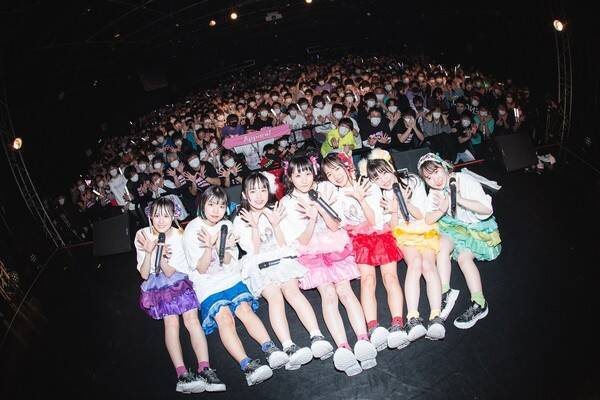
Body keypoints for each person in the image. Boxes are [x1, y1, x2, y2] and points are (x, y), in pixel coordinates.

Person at [280, 155, 377, 377]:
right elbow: (302, 240)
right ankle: (343, 347)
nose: (304, 179)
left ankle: (363, 340)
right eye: (298, 175)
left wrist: (321, 210)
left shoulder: (325, 188)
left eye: (307, 173)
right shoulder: (287, 203)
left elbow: (335, 225)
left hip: (334, 243)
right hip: (310, 251)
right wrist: (312, 219)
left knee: (345, 291)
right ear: (290, 177)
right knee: (328, 294)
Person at [182, 186, 288, 386]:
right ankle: (247, 366)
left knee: (245, 309)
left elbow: (229, 261)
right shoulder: (193, 229)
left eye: (221, 206)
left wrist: (222, 247)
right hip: (208, 284)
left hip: (229, 277)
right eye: (212, 204)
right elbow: (202, 269)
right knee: (225, 318)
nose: (216, 210)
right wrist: (210, 247)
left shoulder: (226, 225)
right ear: (202, 204)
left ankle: (270, 349)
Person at [233, 172, 334, 369]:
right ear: (245, 195)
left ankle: (317, 336)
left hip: (281, 259)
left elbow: (282, 244)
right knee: (275, 297)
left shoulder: (276, 209)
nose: (259, 195)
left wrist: (275, 224)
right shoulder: (240, 219)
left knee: (292, 292)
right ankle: (288, 347)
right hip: (259, 265)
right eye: (253, 191)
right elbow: (254, 251)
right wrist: (254, 227)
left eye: (263, 190)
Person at [134, 197, 226, 393]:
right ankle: (182, 374)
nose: (161, 220)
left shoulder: (179, 235)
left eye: (166, 216)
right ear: (150, 216)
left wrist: (160, 255)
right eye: (157, 215)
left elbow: (171, 271)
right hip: (157, 285)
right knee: (171, 324)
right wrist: (150, 252)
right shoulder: (142, 234)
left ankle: (205, 369)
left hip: (179, 280)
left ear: (173, 216)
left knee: (192, 321)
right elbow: (144, 274)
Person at [321, 153, 409, 351]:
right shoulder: (335, 195)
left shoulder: (367, 183)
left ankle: (397, 324)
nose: (335, 176)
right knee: (367, 280)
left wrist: (361, 199)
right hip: (359, 239)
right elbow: (337, 225)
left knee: (390, 278)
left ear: (346, 166)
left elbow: (374, 220)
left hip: (380, 233)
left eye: (337, 169)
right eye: (329, 174)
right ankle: (373, 327)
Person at [360, 149, 445, 342]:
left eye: (383, 172)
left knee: (429, 266)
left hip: (424, 228)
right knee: (415, 264)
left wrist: (405, 202)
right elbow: (392, 226)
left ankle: (436, 316)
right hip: (404, 234)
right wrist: (394, 210)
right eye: (375, 178)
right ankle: (413, 318)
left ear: (391, 166)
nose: (382, 180)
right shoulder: (380, 195)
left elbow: (421, 215)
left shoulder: (413, 181)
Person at [418, 153, 501, 329]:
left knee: (464, 258)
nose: (435, 180)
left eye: (436, 171)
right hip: (454, 227)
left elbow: (487, 209)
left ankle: (480, 303)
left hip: (476, 228)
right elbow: (428, 219)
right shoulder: (435, 191)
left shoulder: (465, 181)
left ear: (444, 166)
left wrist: (458, 199)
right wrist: (442, 209)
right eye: (428, 178)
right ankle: (445, 291)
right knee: (440, 245)